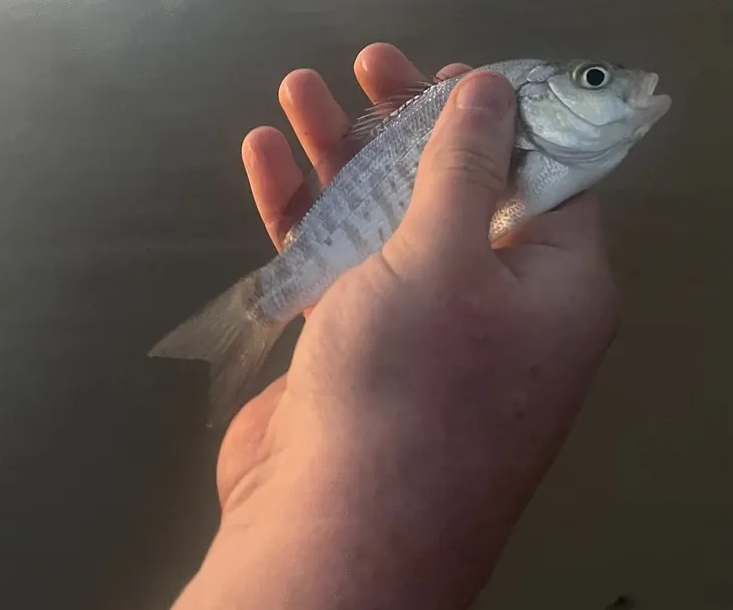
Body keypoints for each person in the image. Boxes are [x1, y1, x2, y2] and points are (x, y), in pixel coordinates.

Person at [174, 43, 618, 609]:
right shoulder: (504, 108)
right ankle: (266, 301)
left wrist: (283, 495)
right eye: (595, 80)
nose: (620, 88)